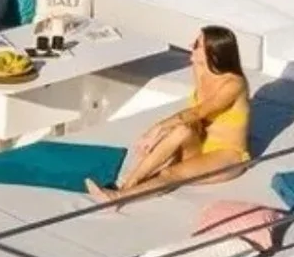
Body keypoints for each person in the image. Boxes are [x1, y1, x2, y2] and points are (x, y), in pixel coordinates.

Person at [86, 26, 252, 204]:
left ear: (213, 53)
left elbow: (198, 111)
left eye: (197, 44)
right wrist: (165, 136)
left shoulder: (234, 84)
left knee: (171, 173)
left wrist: (156, 130)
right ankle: (129, 183)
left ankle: (117, 197)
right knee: (181, 130)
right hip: (200, 145)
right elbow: (193, 119)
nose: (191, 45)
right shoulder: (200, 68)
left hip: (226, 155)